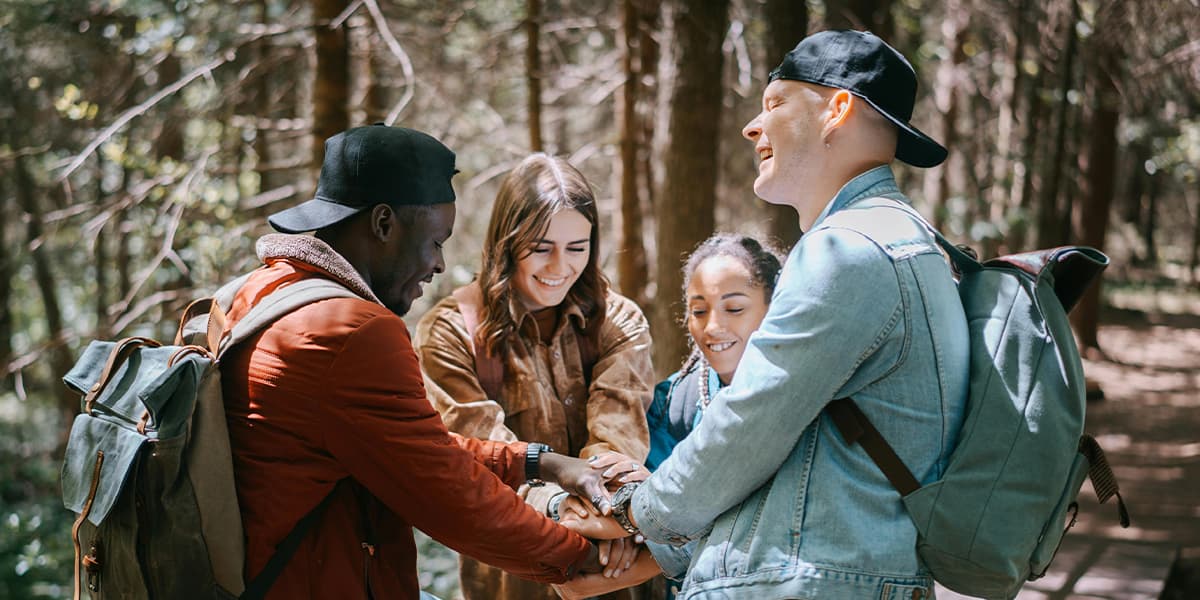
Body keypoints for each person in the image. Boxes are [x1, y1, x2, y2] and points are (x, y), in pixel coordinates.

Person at [592, 30, 971, 599]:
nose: (752, 126)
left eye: (774, 104)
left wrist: (632, 512)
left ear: (836, 110)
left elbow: (750, 423)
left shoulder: (850, 249)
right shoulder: (905, 239)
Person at [219, 125, 619, 600]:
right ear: (384, 224)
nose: (440, 265)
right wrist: (579, 558)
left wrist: (539, 462)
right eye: (436, 241)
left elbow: (410, 444)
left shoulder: (260, 293)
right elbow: (449, 496)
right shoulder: (352, 330)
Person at [414, 152, 654, 600]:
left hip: (619, 578)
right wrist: (569, 513)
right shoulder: (451, 332)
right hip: (512, 582)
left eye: (577, 249)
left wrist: (609, 503)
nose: (560, 266)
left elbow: (619, 432)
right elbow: (481, 460)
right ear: (507, 241)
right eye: (541, 248)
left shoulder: (619, 321)